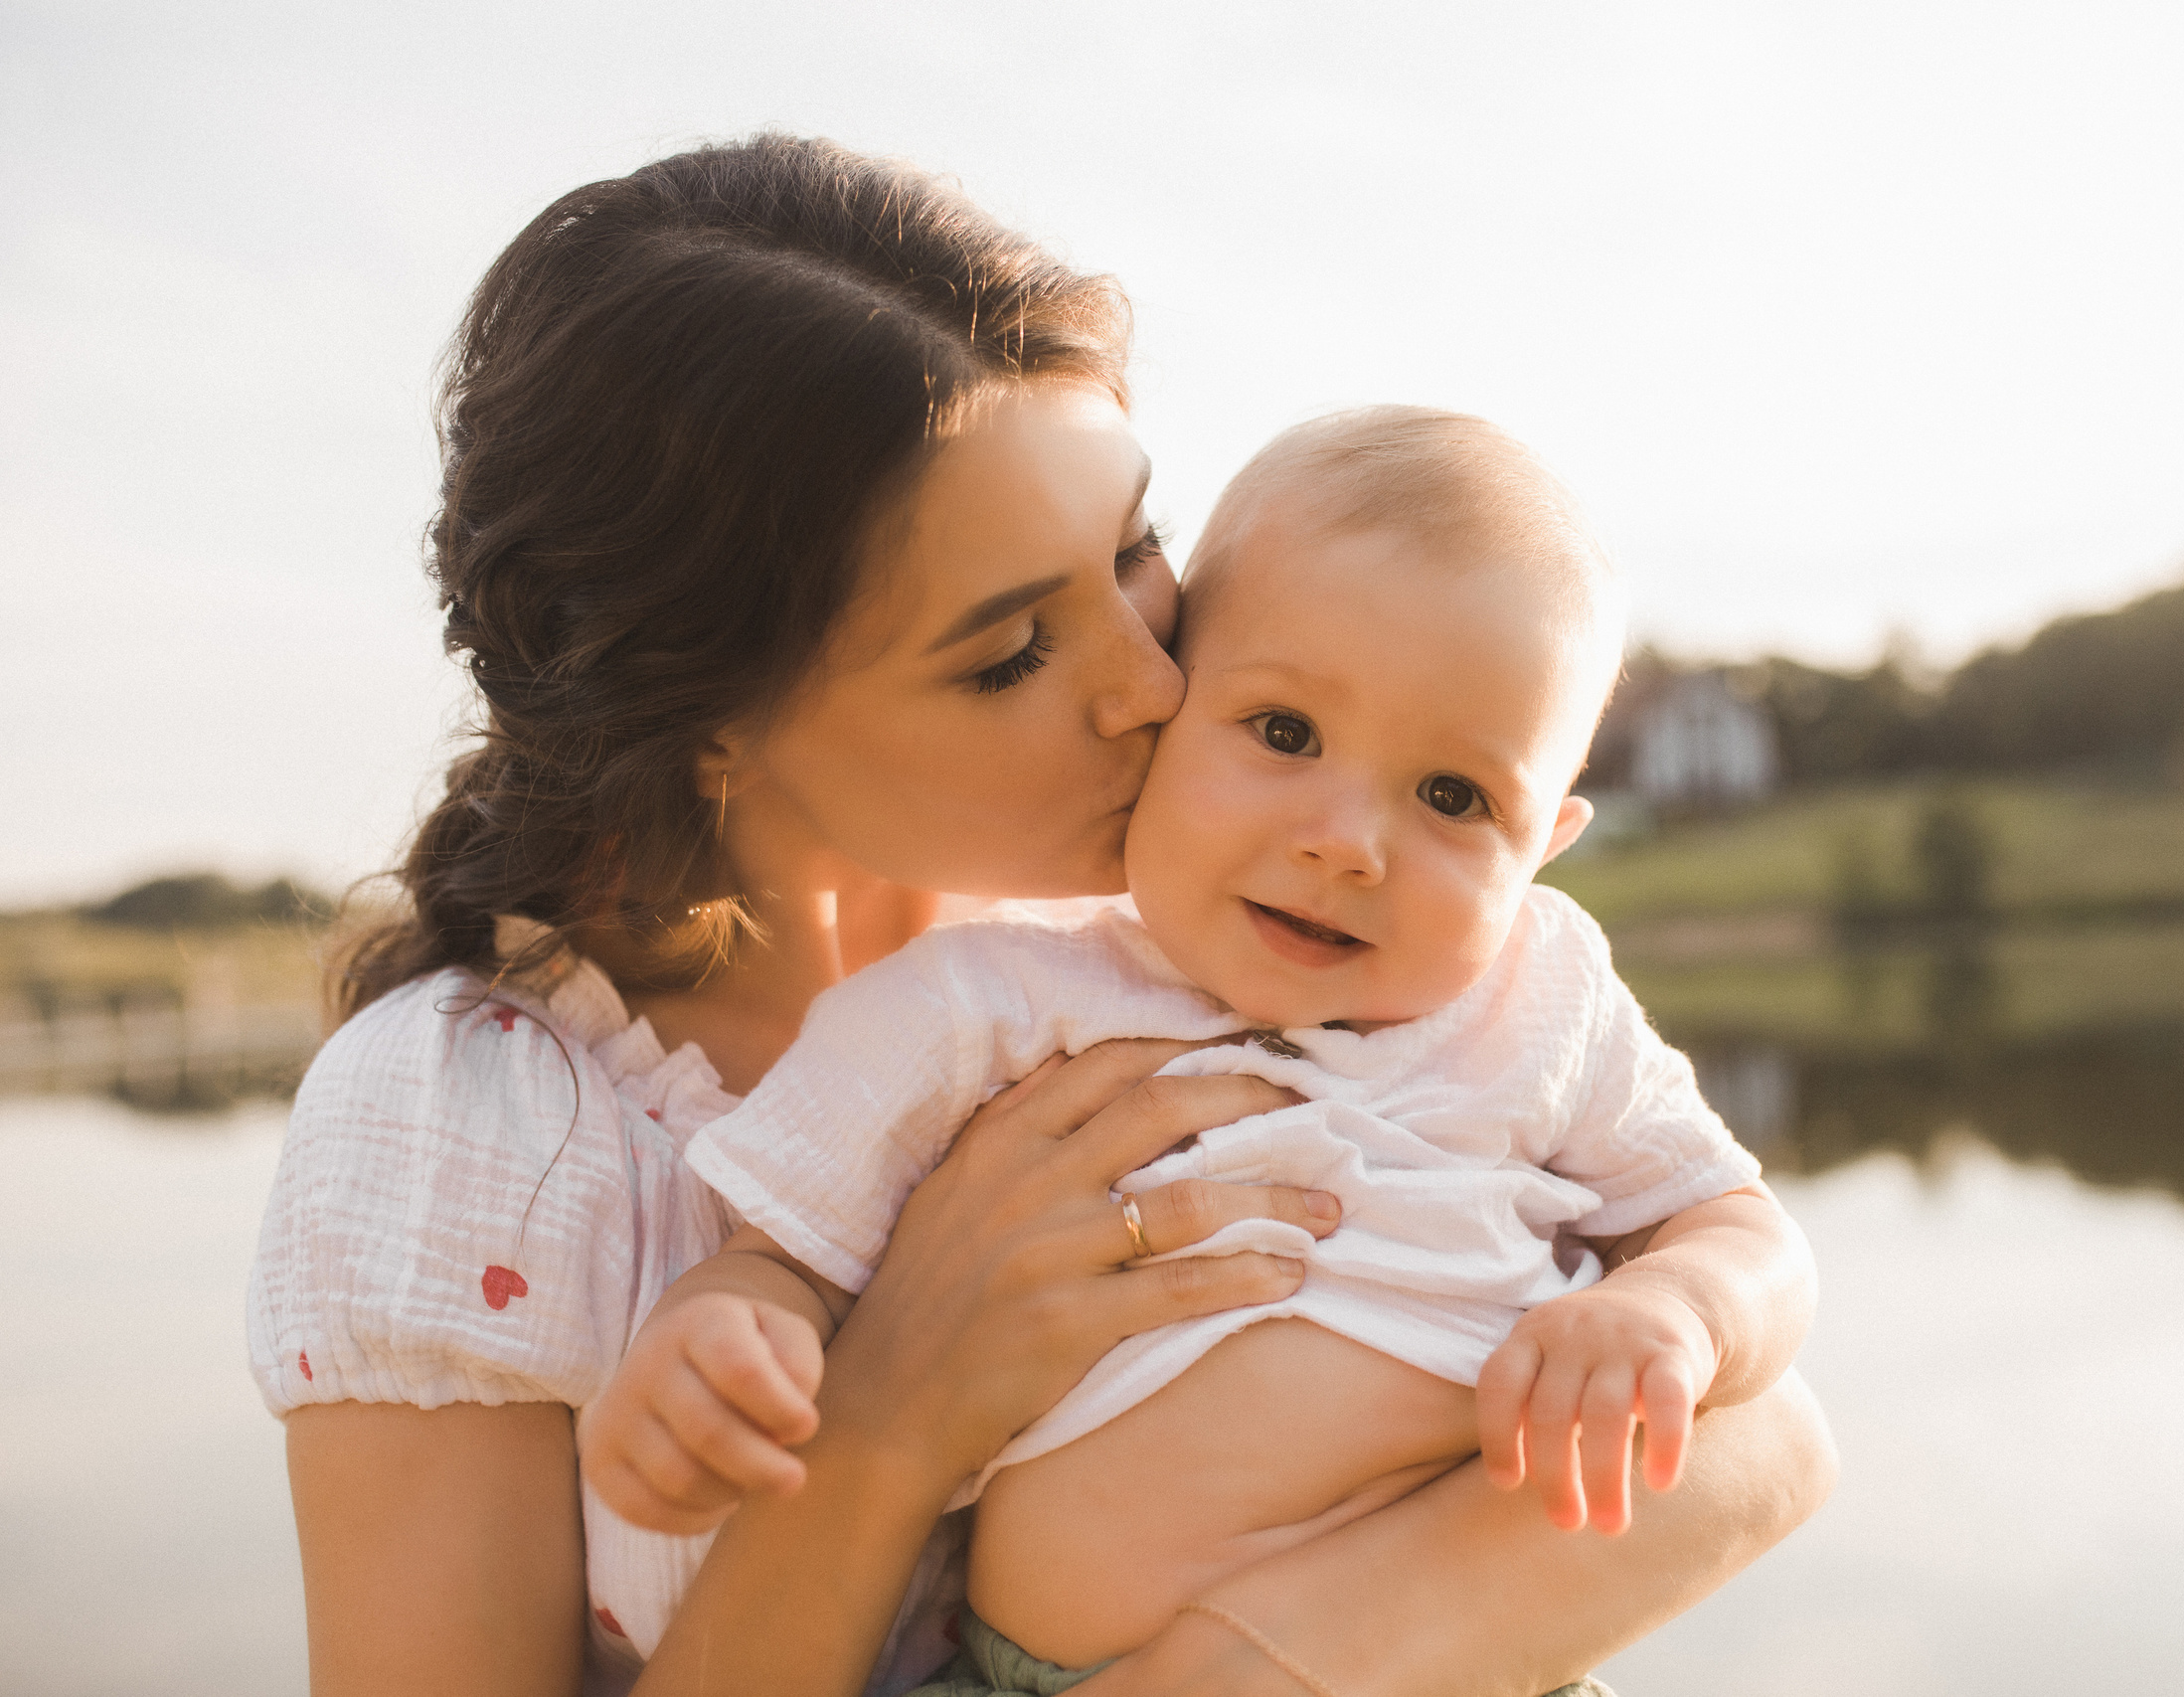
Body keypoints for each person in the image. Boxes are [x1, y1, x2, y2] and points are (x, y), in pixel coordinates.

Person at [247, 134, 1836, 1697]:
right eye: (1011, 653)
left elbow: (1764, 1437)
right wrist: (884, 1429)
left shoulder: (1208, 938)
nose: (1156, 682)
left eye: (1136, 548)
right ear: (713, 723)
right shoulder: (471, 1128)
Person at [582, 407, 1816, 1696]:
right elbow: (788, 1253)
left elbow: (1744, 1230)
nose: (1348, 841)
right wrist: (725, 1335)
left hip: (1475, 1655)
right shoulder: (988, 1000)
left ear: (1545, 847)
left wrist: (1677, 1309)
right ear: (1163, 714)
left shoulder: (1538, 997)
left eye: (1454, 798)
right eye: (1283, 733)